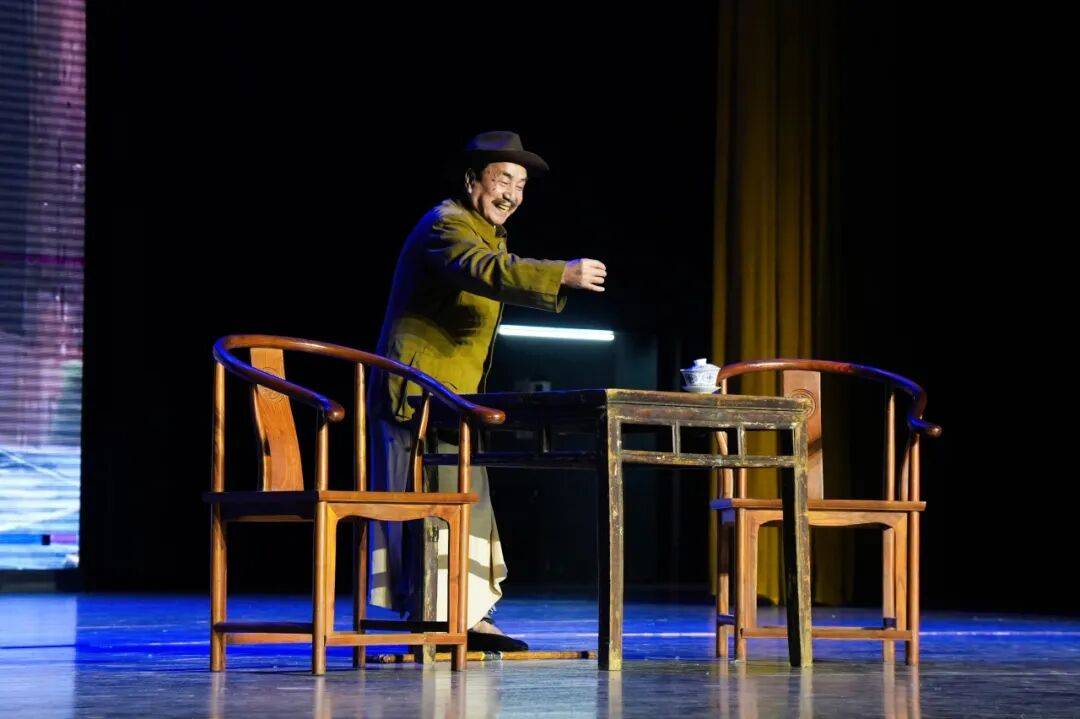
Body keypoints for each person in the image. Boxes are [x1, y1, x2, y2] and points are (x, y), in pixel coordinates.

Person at [367, 130, 606, 651]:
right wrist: (559, 275)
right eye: (503, 180)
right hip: (416, 393)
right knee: (431, 500)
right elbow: (484, 271)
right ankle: (439, 618)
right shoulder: (446, 225)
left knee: (465, 498)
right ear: (472, 180)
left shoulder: (486, 234)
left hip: (452, 399)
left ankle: (465, 615)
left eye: (520, 186)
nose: (511, 195)